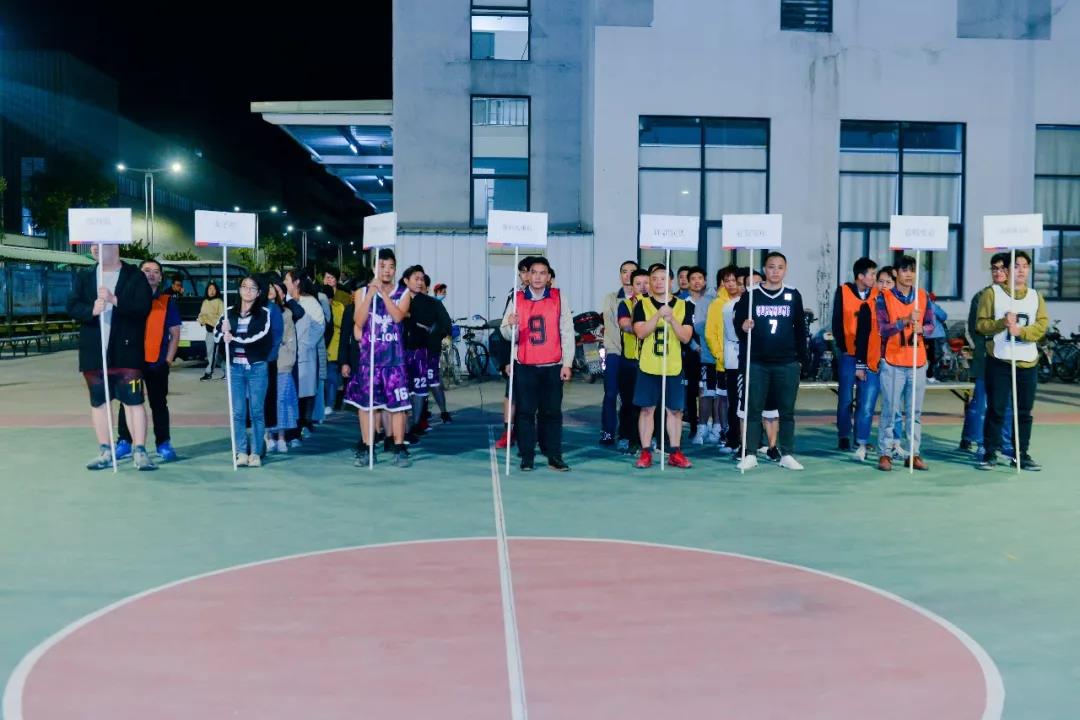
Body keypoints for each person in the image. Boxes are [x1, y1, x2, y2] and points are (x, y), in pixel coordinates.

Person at [68, 243, 155, 471]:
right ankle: (105, 451)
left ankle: (140, 451)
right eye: (92, 244)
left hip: (126, 354)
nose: (95, 248)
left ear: (114, 245)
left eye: (100, 243)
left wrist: (114, 300)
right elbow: (72, 306)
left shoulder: (134, 276)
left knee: (133, 402)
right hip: (94, 354)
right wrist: (91, 310)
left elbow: (143, 308)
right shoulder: (85, 276)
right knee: (99, 403)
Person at [733, 252, 808, 471]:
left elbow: (800, 329)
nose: (775, 271)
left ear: (786, 270)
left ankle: (787, 453)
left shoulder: (793, 294)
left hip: (787, 362)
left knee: (786, 411)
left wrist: (802, 360)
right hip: (757, 362)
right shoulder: (751, 294)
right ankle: (750, 453)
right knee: (753, 409)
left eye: (780, 267)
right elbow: (738, 325)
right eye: (771, 267)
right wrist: (743, 326)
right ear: (764, 269)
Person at [976, 251, 1048, 471]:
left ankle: (1020, 454)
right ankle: (990, 452)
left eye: (1025, 266)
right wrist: (1002, 323)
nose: (1021, 270)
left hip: (1027, 362)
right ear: (1007, 270)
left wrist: (1021, 331)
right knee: (996, 409)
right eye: (1016, 266)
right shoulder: (992, 293)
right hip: (1000, 360)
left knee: (1024, 412)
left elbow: (1041, 326)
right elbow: (981, 325)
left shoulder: (1035, 296)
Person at [500, 257, 573, 472]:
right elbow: (506, 334)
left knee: (552, 413)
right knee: (525, 412)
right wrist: (510, 325)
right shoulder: (517, 299)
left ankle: (554, 455)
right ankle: (527, 456)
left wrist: (567, 363)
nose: (538, 277)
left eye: (543, 273)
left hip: (552, 365)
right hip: (525, 365)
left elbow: (567, 331)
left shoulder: (559, 297)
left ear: (549, 276)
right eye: (534, 272)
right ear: (528, 275)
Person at [345, 248, 414, 467]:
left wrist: (383, 294)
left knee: (398, 407)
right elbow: (358, 321)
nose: (387, 270)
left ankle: (399, 448)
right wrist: (370, 295)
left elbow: (398, 316)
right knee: (366, 406)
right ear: (375, 267)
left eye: (391, 267)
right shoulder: (362, 292)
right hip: (370, 360)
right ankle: (368, 447)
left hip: (394, 361)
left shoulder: (403, 293)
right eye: (382, 266)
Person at [115, 259, 182, 462]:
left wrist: (168, 360)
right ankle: (125, 441)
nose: (151, 274)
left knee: (159, 403)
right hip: (132, 362)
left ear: (161, 277)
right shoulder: (126, 299)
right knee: (127, 403)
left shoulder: (167, 302)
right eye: (146, 270)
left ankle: (163, 443)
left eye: (156, 271)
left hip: (156, 364)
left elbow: (175, 334)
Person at [632, 264, 695, 470]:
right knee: (647, 410)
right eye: (654, 278)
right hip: (649, 365)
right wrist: (658, 315)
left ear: (671, 282)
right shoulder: (642, 304)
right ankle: (646, 452)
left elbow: (685, 337)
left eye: (663, 278)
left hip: (673, 366)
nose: (658, 282)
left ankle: (675, 452)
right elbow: (640, 333)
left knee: (675, 411)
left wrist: (672, 318)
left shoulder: (684, 306)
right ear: (650, 282)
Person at [875, 255, 934, 472]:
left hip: (917, 361)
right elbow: (882, 329)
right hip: (893, 361)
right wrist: (905, 321)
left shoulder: (923, 296)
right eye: (904, 270)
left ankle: (913, 454)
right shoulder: (884, 298)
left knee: (914, 412)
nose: (909, 274)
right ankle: (885, 453)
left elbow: (932, 326)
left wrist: (922, 329)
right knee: (890, 411)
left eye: (912, 270)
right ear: (896, 273)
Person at [215, 275, 273, 468]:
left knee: (256, 411)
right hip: (235, 368)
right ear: (239, 290)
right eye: (244, 287)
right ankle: (240, 451)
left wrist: (233, 338)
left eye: (252, 288)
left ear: (258, 293)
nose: (248, 291)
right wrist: (222, 332)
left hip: (257, 368)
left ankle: (256, 452)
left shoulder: (264, 314)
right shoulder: (228, 312)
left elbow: (258, 336)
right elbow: (216, 334)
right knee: (238, 412)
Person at [831, 257, 881, 460]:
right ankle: (844, 434)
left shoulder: (877, 294)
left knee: (864, 399)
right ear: (860, 276)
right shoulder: (843, 291)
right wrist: (843, 347)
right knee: (845, 398)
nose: (875, 278)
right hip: (848, 354)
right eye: (872, 274)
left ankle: (861, 438)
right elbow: (836, 322)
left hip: (869, 355)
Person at [961, 258, 1009, 455]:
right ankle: (978, 441)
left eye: (1002, 269)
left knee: (1004, 404)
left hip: (1008, 358)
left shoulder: (1017, 296)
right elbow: (975, 329)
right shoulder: (981, 296)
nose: (998, 272)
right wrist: (988, 346)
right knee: (981, 402)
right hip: (986, 358)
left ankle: (1003, 444)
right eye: (994, 269)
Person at [494, 256, 533, 449]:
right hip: (518, 354)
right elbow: (504, 329)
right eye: (522, 272)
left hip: (542, 358)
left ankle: (532, 432)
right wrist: (506, 362)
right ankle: (508, 432)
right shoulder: (515, 296)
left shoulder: (551, 296)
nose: (525, 276)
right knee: (511, 395)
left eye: (528, 271)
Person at [600, 260, 639, 446]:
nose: (628, 275)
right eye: (624, 271)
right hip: (615, 352)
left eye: (632, 271)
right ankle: (608, 431)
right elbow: (612, 325)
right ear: (620, 275)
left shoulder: (645, 299)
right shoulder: (610, 298)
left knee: (632, 397)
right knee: (610, 393)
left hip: (637, 355)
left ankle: (630, 433)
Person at [284, 270, 326, 444]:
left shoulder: (310, 302)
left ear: (296, 282)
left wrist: (305, 344)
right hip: (287, 355)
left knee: (304, 392)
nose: (284, 282)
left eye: (287, 279)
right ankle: (290, 429)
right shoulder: (285, 300)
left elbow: (320, 326)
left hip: (304, 354)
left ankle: (302, 425)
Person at [706, 265, 741, 455]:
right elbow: (710, 333)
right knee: (725, 399)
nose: (731, 284)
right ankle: (726, 433)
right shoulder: (717, 304)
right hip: (724, 361)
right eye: (727, 280)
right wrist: (720, 354)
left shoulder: (747, 300)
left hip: (745, 361)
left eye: (734, 280)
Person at [615, 268, 650, 453]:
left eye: (646, 283)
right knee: (629, 403)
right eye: (638, 284)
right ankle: (626, 436)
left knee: (648, 404)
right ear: (632, 286)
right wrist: (644, 322)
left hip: (651, 362)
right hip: (630, 362)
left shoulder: (657, 306)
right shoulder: (625, 305)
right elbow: (627, 326)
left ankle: (648, 439)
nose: (643, 287)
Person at [266, 279, 299, 454]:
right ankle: (268, 436)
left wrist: (288, 359)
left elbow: (290, 339)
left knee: (282, 400)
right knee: (266, 400)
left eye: (276, 289)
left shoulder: (286, 313)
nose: (273, 291)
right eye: (270, 288)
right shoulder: (259, 311)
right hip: (264, 363)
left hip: (282, 363)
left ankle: (281, 437)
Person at [685, 266, 717, 444]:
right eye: (693, 278)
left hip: (710, 353)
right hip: (692, 354)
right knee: (692, 391)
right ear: (688, 282)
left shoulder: (712, 302)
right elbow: (683, 329)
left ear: (705, 281)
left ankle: (713, 425)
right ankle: (694, 427)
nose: (697, 281)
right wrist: (695, 347)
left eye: (700, 278)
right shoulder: (684, 304)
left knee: (710, 390)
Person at [322, 267, 350, 413]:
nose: (328, 280)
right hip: (322, 342)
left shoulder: (342, 299)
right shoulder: (318, 295)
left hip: (335, 342)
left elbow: (343, 323)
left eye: (331, 277)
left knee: (332, 374)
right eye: (326, 277)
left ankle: (331, 403)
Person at [198, 281, 224, 380]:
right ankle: (227, 372)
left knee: (212, 353)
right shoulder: (205, 302)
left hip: (216, 332)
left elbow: (222, 316)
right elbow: (201, 314)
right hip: (208, 332)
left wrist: (209, 318)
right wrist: (201, 320)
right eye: (210, 289)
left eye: (214, 289)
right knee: (218, 355)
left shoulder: (219, 302)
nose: (212, 291)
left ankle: (208, 373)